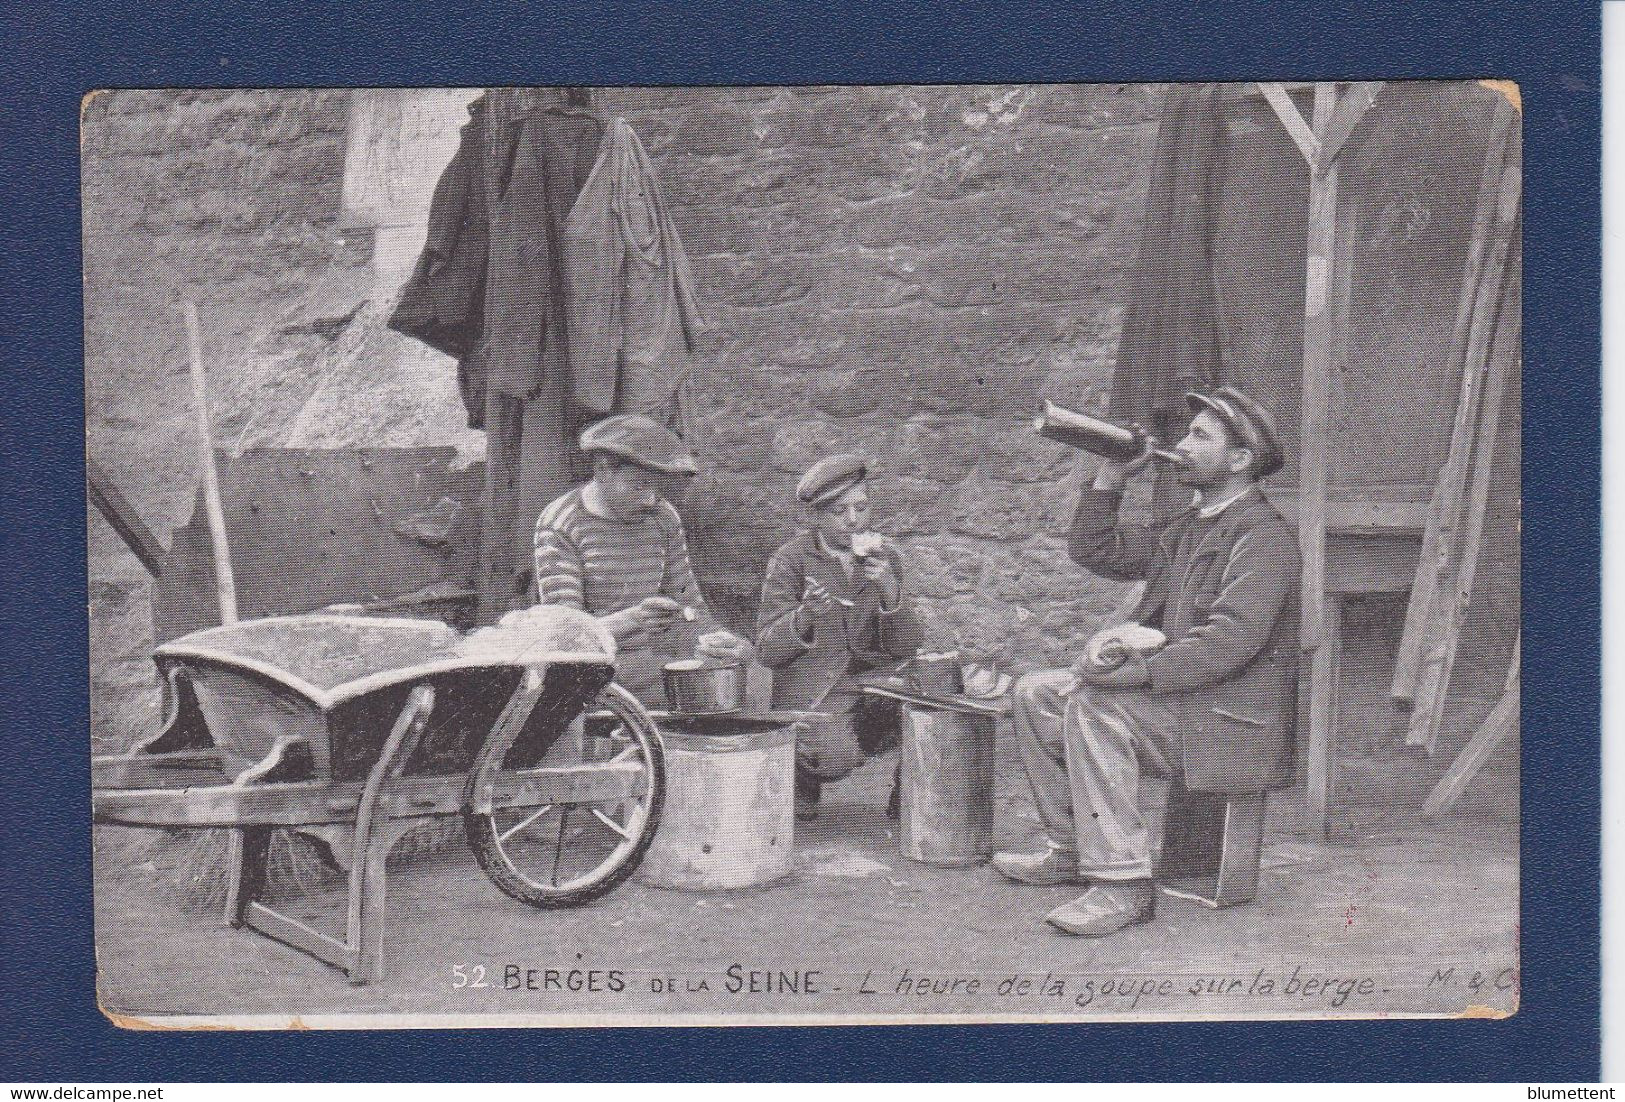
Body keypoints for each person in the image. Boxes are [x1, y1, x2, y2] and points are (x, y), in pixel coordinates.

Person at [993, 385, 1300, 937]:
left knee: (1096, 705)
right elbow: (1098, 551)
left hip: (1229, 722)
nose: (1182, 444)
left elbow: (1229, 641)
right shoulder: (1193, 525)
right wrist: (1111, 476)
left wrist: (1125, 672)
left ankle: (1123, 884)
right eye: (1186, 434)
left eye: (1200, 437)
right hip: (1189, 706)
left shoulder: (1265, 537)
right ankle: (1069, 848)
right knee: (1035, 692)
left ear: (1240, 460)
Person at [532, 413, 750, 706]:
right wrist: (632, 620)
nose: (650, 499)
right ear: (603, 469)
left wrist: (715, 639)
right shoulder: (562, 523)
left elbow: (689, 605)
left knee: (746, 680)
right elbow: (567, 636)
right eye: (639, 485)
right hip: (594, 673)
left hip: (652, 663)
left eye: (658, 488)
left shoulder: (662, 516)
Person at [755, 455, 925, 821]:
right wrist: (805, 617)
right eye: (838, 511)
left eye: (861, 508)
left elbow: (905, 647)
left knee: (927, 714)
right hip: (816, 691)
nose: (853, 521)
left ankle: (910, 798)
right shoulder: (792, 560)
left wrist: (892, 593)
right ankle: (802, 774)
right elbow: (766, 650)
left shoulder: (885, 557)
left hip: (870, 684)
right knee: (833, 755)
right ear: (815, 517)